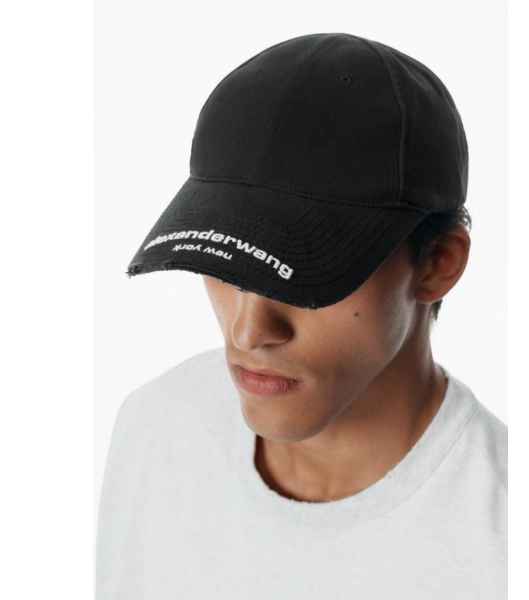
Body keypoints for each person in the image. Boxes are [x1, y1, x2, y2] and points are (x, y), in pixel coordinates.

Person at [96, 32, 507, 599]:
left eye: (302, 274)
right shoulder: (157, 428)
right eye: (225, 264)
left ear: (438, 264)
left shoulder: (512, 540)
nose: (247, 331)